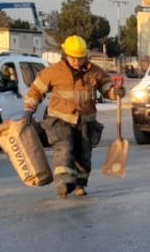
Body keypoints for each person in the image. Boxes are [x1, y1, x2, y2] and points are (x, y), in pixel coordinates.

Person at [23, 35, 118, 199]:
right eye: (73, 58)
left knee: (84, 156)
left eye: (80, 58)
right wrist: (28, 110)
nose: (77, 62)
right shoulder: (54, 71)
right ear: (65, 55)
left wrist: (115, 92)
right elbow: (36, 91)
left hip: (86, 121)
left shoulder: (94, 71)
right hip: (60, 120)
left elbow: (107, 86)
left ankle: (80, 184)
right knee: (64, 149)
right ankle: (63, 182)